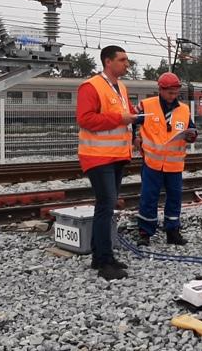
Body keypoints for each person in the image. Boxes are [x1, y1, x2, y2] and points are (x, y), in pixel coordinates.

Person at [76, 45, 138, 280]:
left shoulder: (121, 87)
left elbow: (124, 114)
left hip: (117, 155)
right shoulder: (91, 86)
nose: (126, 64)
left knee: (106, 206)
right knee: (105, 206)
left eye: (127, 59)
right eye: (122, 59)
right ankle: (104, 261)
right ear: (108, 62)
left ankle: (101, 256)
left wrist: (135, 116)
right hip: (98, 156)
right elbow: (86, 119)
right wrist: (121, 118)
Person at [133, 72, 198, 247]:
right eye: (170, 92)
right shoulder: (146, 106)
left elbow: (191, 128)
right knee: (149, 197)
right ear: (160, 89)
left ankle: (172, 231)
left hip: (175, 164)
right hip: (152, 163)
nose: (173, 96)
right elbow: (129, 121)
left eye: (176, 92)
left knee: (175, 198)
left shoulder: (183, 109)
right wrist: (134, 138)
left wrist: (192, 136)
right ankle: (145, 233)